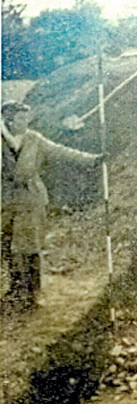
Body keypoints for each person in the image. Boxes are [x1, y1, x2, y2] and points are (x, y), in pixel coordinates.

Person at [1, 101, 104, 314]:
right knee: (9, 249)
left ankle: (32, 294)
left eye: (25, 118)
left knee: (29, 248)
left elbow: (61, 152)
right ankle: (15, 290)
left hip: (31, 201)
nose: (24, 122)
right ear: (8, 120)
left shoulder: (34, 139)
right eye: (19, 119)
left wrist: (92, 160)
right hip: (6, 202)